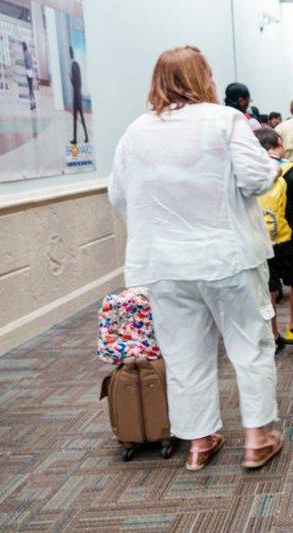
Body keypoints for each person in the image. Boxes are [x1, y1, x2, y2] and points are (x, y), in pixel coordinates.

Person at [108, 45, 283, 472]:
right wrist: (276, 169)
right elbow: (257, 177)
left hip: (164, 265)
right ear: (203, 77)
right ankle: (257, 437)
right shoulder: (225, 121)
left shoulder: (135, 132)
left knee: (185, 354)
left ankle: (200, 442)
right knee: (250, 345)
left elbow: (118, 196)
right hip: (227, 258)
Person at [253, 128, 293, 350]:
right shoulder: (290, 170)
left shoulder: (251, 171)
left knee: (269, 286)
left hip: (258, 238)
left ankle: (272, 335)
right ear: (279, 142)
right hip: (286, 237)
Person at [69, 46, 89, 145]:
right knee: (81, 118)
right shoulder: (77, 65)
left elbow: (75, 82)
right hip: (79, 96)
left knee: (75, 119)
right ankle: (86, 137)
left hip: (76, 97)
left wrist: (70, 78)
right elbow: (79, 82)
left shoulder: (73, 66)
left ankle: (75, 139)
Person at [22, 42, 36, 110]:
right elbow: (31, 63)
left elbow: (26, 65)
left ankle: (32, 104)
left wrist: (26, 72)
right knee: (31, 89)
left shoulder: (24, 54)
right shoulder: (29, 53)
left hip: (28, 71)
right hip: (31, 71)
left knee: (30, 89)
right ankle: (34, 103)